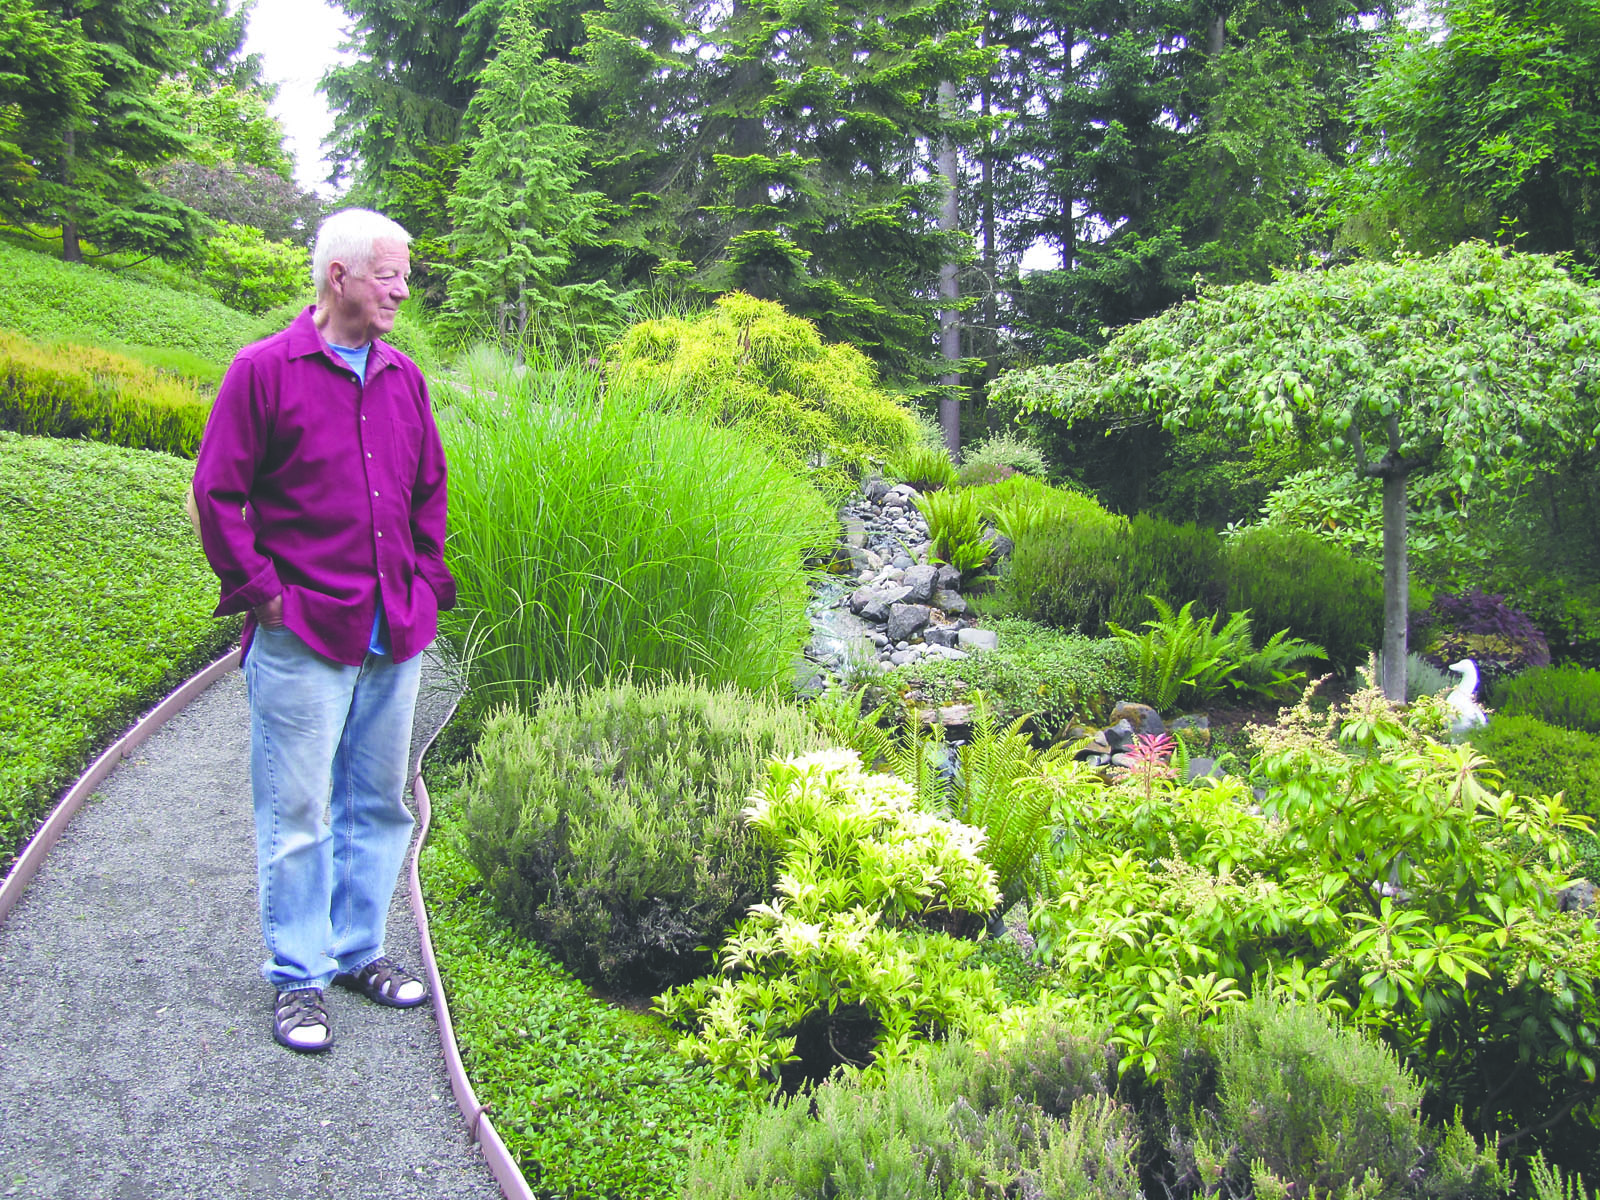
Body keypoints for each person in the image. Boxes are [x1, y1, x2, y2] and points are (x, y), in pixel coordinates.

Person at [193, 207, 456, 1052]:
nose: (402, 289)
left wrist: (424, 576)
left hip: (394, 631)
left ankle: (357, 951)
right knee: (298, 811)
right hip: (303, 630)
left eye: (404, 274)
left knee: (377, 805)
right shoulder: (263, 371)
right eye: (390, 274)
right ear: (338, 275)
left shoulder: (402, 378)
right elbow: (217, 493)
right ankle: (298, 977)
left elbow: (428, 489)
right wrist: (259, 590)